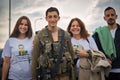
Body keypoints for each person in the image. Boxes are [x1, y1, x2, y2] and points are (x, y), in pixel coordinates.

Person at [32, 7, 75, 80]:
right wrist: (34, 77)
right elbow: (34, 59)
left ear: (58, 18)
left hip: (65, 76)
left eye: (55, 16)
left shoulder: (66, 35)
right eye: (50, 17)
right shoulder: (39, 36)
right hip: (47, 76)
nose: (52, 19)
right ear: (46, 18)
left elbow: (72, 55)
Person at [2, 16, 34, 80]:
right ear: (17, 25)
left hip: (30, 77)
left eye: (26, 25)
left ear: (29, 27)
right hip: (13, 77)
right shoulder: (10, 41)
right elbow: (6, 62)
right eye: (21, 24)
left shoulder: (33, 40)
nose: (23, 26)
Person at [92, 7, 120, 80]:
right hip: (107, 69)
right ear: (104, 18)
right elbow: (96, 49)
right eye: (108, 15)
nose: (110, 17)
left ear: (116, 16)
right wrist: (104, 57)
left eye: (112, 15)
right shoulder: (99, 33)